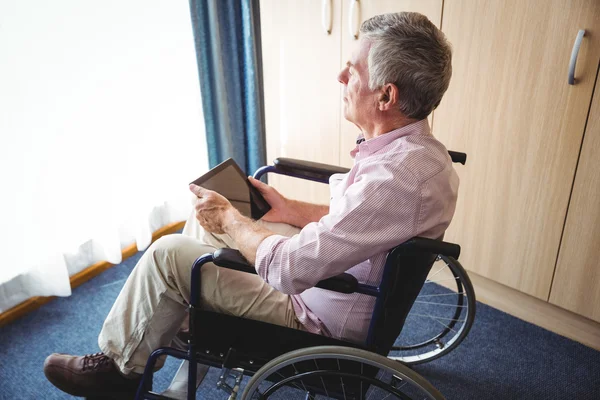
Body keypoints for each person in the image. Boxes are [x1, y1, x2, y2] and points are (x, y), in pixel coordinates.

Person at [43, 11, 458, 398]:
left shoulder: (394, 178)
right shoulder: (418, 154)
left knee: (169, 253)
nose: (340, 76)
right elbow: (361, 224)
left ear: (386, 95)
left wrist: (233, 219)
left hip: (314, 317)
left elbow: (289, 269)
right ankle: (188, 331)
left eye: (353, 71)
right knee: (207, 222)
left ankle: (119, 372)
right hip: (337, 280)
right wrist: (290, 209)